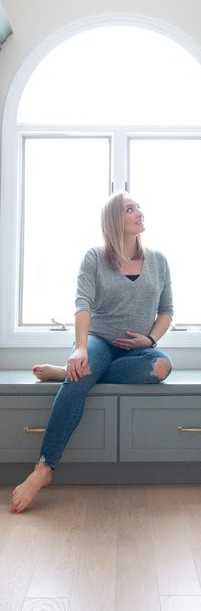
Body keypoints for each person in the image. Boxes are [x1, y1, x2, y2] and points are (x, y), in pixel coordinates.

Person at [12, 191, 173, 513]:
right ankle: (44, 468)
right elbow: (82, 304)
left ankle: (75, 373)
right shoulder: (94, 257)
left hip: (135, 352)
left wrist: (151, 341)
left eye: (139, 207)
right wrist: (82, 347)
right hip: (99, 340)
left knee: (161, 368)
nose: (140, 212)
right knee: (79, 375)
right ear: (115, 219)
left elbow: (166, 310)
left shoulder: (157, 261)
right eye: (131, 209)